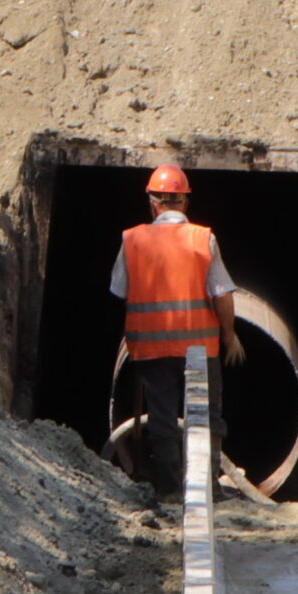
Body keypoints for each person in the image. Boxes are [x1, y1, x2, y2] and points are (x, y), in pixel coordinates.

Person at [111, 163, 244, 499]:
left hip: (151, 350)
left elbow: (120, 291)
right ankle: (207, 489)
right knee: (206, 419)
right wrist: (229, 335)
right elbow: (222, 294)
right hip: (200, 348)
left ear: (153, 203)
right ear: (185, 203)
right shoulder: (203, 238)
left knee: (162, 419)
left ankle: (169, 489)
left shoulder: (132, 240)